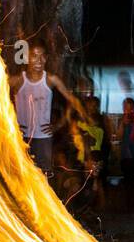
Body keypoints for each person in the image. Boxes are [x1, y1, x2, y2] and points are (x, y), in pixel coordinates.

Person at [9, 41, 87, 177]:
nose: (39, 60)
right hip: (20, 137)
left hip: (43, 138)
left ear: (46, 58)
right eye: (34, 55)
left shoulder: (51, 80)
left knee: (42, 178)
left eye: (42, 56)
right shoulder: (17, 80)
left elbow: (73, 101)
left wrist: (58, 125)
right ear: (27, 58)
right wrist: (11, 124)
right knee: (20, 177)